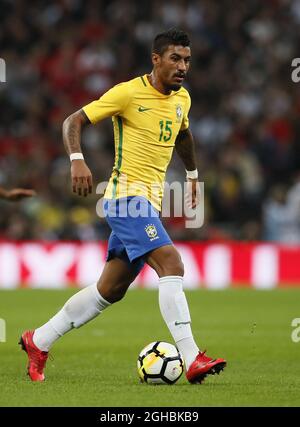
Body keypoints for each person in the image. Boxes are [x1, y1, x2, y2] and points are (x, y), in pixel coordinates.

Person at [20, 29, 226, 383]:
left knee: (110, 290)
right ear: (156, 59)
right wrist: (77, 159)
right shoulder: (127, 93)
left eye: (187, 60)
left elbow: (183, 134)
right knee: (172, 263)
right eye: (175, 59)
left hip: (149, 203)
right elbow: (74, 121)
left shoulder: (182, 100)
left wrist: (192, 175)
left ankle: (38, 340)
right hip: (125, 200)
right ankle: (192, 357)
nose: (183, 67)